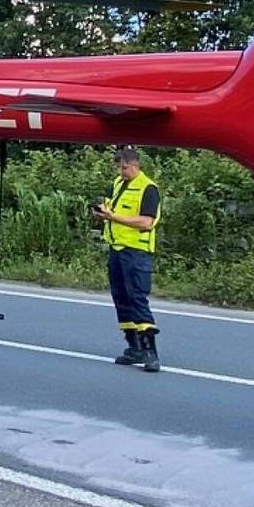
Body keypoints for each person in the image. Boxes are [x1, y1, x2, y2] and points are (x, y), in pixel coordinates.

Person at [92, 145, 163, 373]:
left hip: (137, 252)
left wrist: (114, 217)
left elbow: (146, 222)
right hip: (117, 250)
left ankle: (150, 352)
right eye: (118, 167)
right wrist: (102, 214)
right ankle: (134, 347)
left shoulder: (148, 188)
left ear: (135, 165)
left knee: (137, 299)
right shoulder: (118, 184)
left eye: (124, 168)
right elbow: (112, 211)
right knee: (120, 298)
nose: (121, 172)